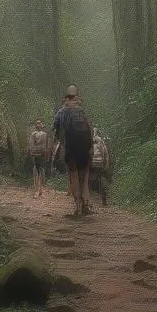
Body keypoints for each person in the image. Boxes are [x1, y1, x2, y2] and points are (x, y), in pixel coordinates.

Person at [52, 89, 93, 217]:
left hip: (70, 148)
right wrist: (90, 146)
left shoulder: (61, 112)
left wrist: (60, 144)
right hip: (84, 148)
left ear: (66, 99)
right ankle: (86, 204)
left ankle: (77, 207)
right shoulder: (81, 111)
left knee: (73, 176)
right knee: (85, 178)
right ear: (75, 99)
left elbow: (55, 131)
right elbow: (90, 129)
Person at [89, 128, 111, 206]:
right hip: (99, 163)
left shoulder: (88, 140)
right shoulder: (101, 142)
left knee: (87, 180)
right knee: (99, 179)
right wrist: (105, 165)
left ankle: (87, 201)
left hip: (90, 164)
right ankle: (103, 198)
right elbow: (105, 154)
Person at [28, 118, 49, 198]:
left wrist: (46, 153)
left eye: (40, 124)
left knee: (42, 171)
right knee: (36, 171)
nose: (38, 125)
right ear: (35, 125)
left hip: (42, 154)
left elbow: (46, 145)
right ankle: (36, 190)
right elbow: (31, 145)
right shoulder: (33, 134)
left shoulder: (44, 134)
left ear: (42, 125)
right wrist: (33, 153)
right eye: (37, 124)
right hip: (36, 155)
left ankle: (41, 190)